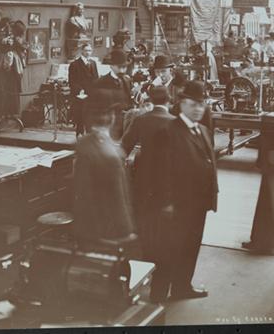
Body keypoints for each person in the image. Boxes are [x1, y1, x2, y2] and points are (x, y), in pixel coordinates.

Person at [152, 81, 218, 302]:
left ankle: (182, 287)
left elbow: (208, 163)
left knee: (191, 247)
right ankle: (158, 295)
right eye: (193, 104)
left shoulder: (204, 130)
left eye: (202, 104)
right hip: (177, 206)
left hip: (199, 204)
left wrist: (212, 195)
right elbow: (161, 171)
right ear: (181, 104)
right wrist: (166, 203)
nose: (198, 109)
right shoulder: (168, 131)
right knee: (169, 250)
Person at [73, 91, 139, 252]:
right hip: (108, 231)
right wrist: (126, 230)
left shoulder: (84, 144)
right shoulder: (110, 152)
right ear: (111, 118)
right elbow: (118, 194)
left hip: (90, 226)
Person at [120, 86, 174, 272]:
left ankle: (146, 256)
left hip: (143, 176)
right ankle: (161, 259)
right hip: (167, 179)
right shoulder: (174, 122)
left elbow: (125, 146)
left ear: (150, 100)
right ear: (169, 100)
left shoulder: (141, 120)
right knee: (163, 221)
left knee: (144, 217)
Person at [94, 49, 134, 139]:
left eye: (124, 67)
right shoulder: (101, 83)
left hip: (125, 123)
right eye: (119, 67)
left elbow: (129, 100)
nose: (122, 70)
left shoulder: (127, 80)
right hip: (109, 124)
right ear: (111, 66)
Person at [170, 72, 214, 146]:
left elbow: (209, 134)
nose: (198, 109)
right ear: (183, 103)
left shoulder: (205, 109)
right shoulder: (177, 107)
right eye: (193, 105)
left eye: (200, 105)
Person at [68, 43, 99, 137]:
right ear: (82, 51)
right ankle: (79, 134)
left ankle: (90, 136)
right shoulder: (75, 64)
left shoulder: (93, 63)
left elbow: (96, 78)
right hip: (80, 95)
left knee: (91, 116)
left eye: (90, 50)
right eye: (86, 50)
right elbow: (72, 81)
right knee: (80, 116)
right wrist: (80, 90)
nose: (88, 53)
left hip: (91, 94)